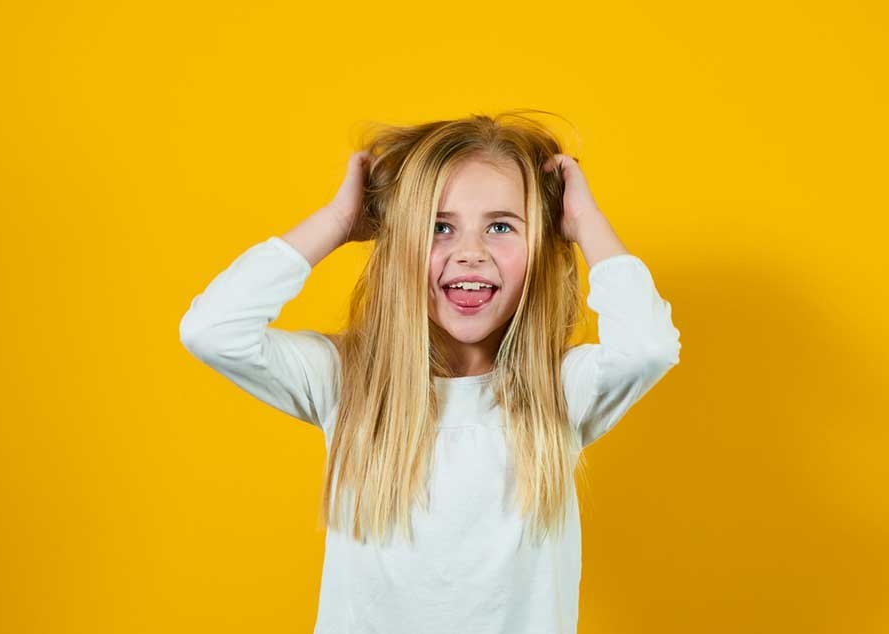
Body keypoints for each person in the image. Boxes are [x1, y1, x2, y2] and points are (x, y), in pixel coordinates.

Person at [178, 110, 682, 633]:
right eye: (438, 227)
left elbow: (647, 348)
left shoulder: (559, 391)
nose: (470, 253)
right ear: (398, 246)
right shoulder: (349, 381)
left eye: (502, 226)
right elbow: (212, 330)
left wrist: (584, 223)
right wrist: (336, 222)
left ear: (541, 245)